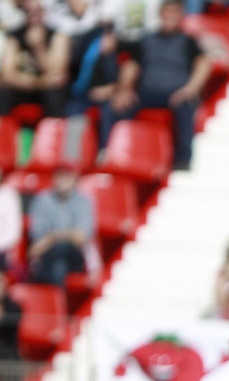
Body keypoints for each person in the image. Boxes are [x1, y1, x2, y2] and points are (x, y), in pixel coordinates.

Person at [107, 0, 210, 170]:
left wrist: (190, 89)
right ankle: (116, 153)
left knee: (187, 106)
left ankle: (183, 160)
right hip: (147, 92)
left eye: (174, 12)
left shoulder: (188, 41)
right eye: (167, 12)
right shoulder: (146, 39)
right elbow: (131, 66)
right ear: (160, 14)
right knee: (120, 105)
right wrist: (124, 89)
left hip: (176, 94)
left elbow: (204, 63)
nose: (170, 16)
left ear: (180, 15)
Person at [27, 163, 94, 286]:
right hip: (49, 256)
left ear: (75, 178)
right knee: (59, 266)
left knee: (63, 248)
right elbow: (37, 239)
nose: (63, 180)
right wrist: (67, 235)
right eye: (60, 175)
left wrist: (54, 236)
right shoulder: (42, 200)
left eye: (67, 176)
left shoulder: (84, 201)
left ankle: (48, 294)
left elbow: (81, 238)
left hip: (74, 256)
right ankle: (56, 302)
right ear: (54, 178)